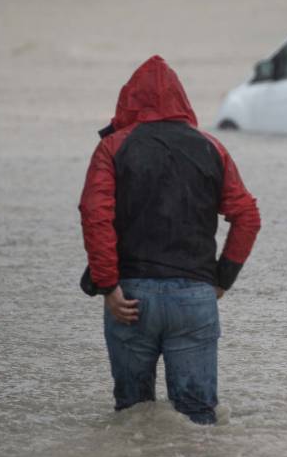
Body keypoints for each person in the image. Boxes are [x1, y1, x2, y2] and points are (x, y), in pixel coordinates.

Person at [78, 55, 261, 425]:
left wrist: (108, 284)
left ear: (127, 101)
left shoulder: (112, 148)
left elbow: (95, 217)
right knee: (198, 422)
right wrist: (222, 279)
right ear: (182, 101)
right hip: (194, 297)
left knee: (132, 417)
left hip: (130, 297)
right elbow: (248, 217)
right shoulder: (212, 148)